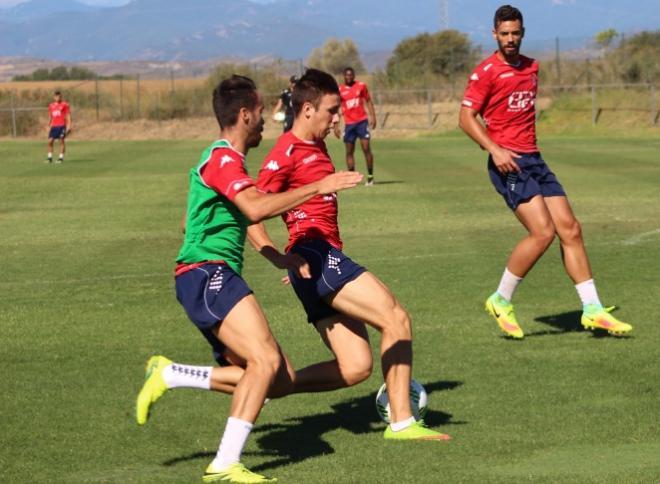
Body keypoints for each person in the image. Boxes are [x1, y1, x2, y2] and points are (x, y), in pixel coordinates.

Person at [135, 74, 362, 483]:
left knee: (277, 380)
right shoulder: (222, 158)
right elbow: (254, 209)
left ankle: (169, 374)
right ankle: (224, 464)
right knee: (266, 361)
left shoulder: (226, 163)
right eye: (261, 114)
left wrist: (277, 257)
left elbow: (194, 219)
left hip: (208, 275)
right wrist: (319, 186)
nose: (267, 120)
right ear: (244, 115)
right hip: (207, 274)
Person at [251, 68, 450, 441]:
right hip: (316, 255)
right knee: (396, 318)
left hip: (316, 261)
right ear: (307, 109)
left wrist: (293, 264)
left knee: (356, 366)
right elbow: (252, 211)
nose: (336, 119)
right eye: (330, 111)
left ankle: (268, 385)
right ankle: (402, 421)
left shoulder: (319, 145)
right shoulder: (285, 153)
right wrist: (281, 257)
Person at [458, 5, 633, 339]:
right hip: (507, 161)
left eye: (516, 33)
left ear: (522, 32)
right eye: (504, 34)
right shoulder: (486, 72)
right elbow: (465, 118)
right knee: (543, 232)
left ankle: (593, 309)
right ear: (494, 34)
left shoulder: (532, 67)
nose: (510, 39)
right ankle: (500, 299)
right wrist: (494, 149)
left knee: (571, 228)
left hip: (534, 159)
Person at [337, 67, 377, 186]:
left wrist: (373, 116)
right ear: (343, 76)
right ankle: (351, 178)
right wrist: (336, 124)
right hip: (349, 124)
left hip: (362, 122)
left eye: (351, 75)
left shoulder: (361, 86)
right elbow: (337, 107)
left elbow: (368, 101)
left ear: (354, 75)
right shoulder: (340, 90)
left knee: (366, 148)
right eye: (346, 75)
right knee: (349, 151)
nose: (348, 77)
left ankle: (370, 177)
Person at [46, 90, 71, 164]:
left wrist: (69, 125)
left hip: (62, 126)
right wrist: (48, 125)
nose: (58, 98)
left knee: (61, 141)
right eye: (56, 96)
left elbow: (68, 115)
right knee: (50, 141)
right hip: (54, 126)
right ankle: (49, 158)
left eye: (59, 96)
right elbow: (50, 116)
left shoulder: (65, 104)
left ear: (61, 97)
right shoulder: (51, 106)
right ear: (54, 97)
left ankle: (61, 158)